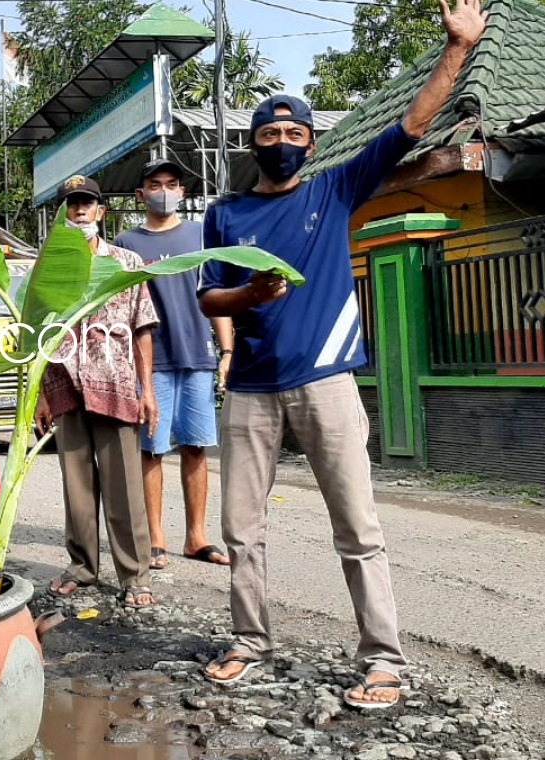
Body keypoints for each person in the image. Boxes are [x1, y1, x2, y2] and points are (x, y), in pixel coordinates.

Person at [196, 0, 486, 710]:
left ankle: (383, 659)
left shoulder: (335, 187)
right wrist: (251, 297)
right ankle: (248, 642)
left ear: (309, 141)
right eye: (271, 132)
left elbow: (413, 124)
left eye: (296, 131)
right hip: (252, 392)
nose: (285, 140)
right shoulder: (225, 214)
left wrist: (458, 47)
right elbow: (209, 300)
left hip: (326, 384)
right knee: (242, 530)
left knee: (357, 527)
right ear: (253, 143)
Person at [38, 176, 160, 608]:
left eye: (87, 203)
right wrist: (38, 395)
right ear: (62, 214)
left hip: (116, 383)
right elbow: (38, 332)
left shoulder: (127, 262)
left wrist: (148, 390)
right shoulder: (48, 268)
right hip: (65, 384)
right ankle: (82, 566)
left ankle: (135, 573)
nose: (79, 211)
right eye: (71, 205)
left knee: (125, 484)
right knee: (77, 485)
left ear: (101, 211)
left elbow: (143, 328)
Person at [113, 160, 234, 570]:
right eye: (153, 184)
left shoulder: (201, 236)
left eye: (170, 184)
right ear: (140, 195)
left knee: (197, 447)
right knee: (152, 449)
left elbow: (216, 295)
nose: (162, 190)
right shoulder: (126, 244)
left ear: (182, 191)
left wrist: (226, 352)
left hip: (198, 356)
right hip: (152, 362)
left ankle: (196, 536)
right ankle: (156, 537)